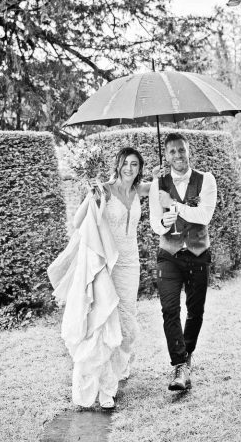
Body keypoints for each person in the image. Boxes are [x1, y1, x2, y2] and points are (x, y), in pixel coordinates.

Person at [49, 147, 151, 410]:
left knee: (128, 322)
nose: (129, 168)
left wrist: (165, 177)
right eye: (125, 163)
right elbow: (77, 220)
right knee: (106, 322)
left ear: (140, 169)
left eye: (135, 164)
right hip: (108, 262)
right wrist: (90, 196)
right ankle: (107, 388)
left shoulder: (140, 190)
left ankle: (118, 368)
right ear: (117, 165)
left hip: (131, 264)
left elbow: (168, 185)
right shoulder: (103, 189)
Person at [149, 133, 217, 391]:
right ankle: (179, 364)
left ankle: (187, 356)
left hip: (198, 253)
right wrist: (163, 223)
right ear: (166, 156)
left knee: (195, 311)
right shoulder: (159, 184)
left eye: (181, 150)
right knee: (169, 309)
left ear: (189, 151)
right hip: (169, 254)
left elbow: (204, 215)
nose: (178, 155)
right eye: (172, 152)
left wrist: (174, 205)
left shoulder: (206, 180)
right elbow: (155, 222)